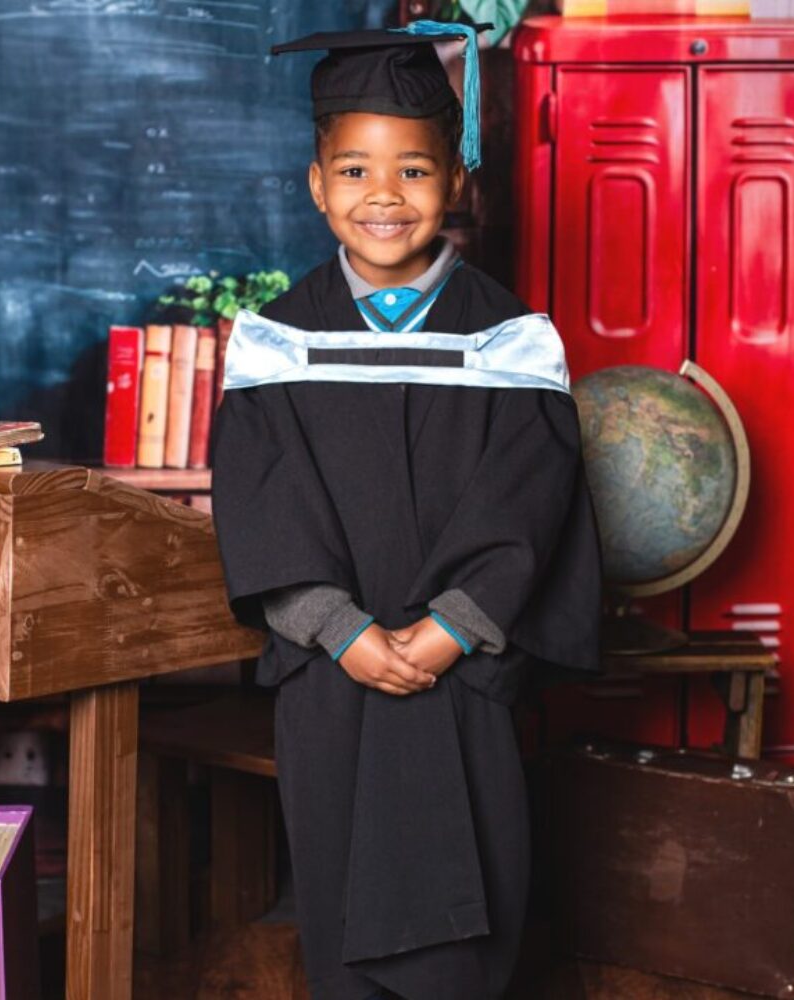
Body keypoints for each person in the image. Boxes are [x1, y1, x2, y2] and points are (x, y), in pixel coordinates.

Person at [209, 20, 603, 1000]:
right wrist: (339, 630)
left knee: (468, 879)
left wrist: (450, 630)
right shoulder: (275, 341)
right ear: (315, 185)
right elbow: (262, 500)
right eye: (353, 170)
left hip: (462, 668)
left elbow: (530, 499)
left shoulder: (511, 340)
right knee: (339, 889)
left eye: (414, 171)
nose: (382, 196)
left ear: (456, 185)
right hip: (331, 673)